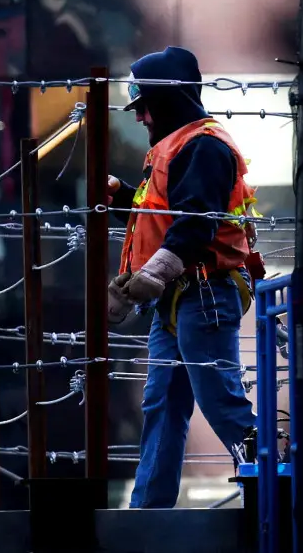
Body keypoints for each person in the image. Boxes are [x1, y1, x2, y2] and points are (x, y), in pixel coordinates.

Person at [105, 46, 264, 509]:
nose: (141, 119)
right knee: (162, 404)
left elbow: (195, 224)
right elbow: (163, 215)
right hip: (179, 297)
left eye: (145, 107)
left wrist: (147, 279)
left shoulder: (205, 147)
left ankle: (273, 488)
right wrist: (119, 199)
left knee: (219, 399)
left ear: (168, 100)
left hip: (204, 294)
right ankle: (148, 514)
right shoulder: (179, 148)